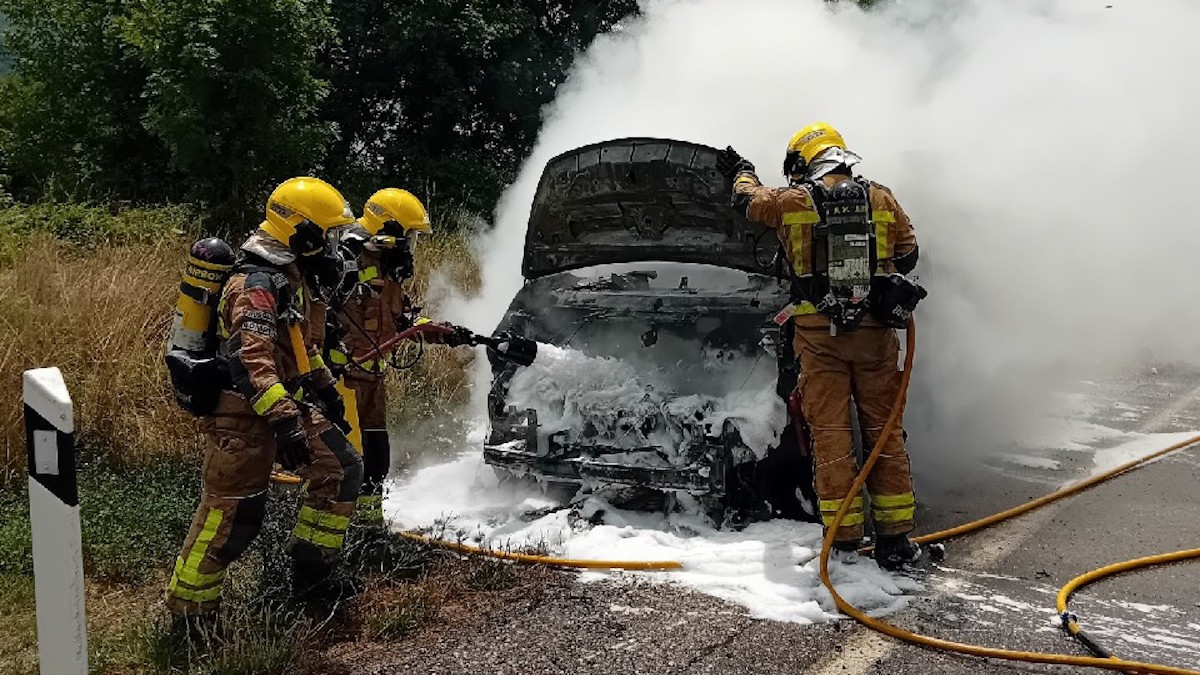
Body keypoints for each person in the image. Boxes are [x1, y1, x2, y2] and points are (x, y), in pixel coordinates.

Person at [717, 123, 924, 570]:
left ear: (802, 162)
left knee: (832, 439)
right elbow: (908, 256)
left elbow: (745, 202)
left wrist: (742, 171)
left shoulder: (791, 201)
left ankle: (845, 540)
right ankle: (894, 540)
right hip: (876, 339)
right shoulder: (881, 197)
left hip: (818, 338)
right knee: (885, 434)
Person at [165, 177, 365, 619]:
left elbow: (299, 344)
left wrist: (324, 391)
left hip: (281, 406)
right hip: (240, 414)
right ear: (303, 232)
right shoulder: (255, 283)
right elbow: (251, 359)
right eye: (327, 234)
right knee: (235, 517)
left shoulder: (291, 276)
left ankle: (312, 576)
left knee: (341, 468)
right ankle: (190, 614)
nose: (333, 246)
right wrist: (286, 422)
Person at [327, 188, 471, 524]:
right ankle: (336, 536)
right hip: (343, 383)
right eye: (408, 235)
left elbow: (399, 320)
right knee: (346, 465)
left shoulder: (386, 266)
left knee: (377, 461)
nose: (411, 244)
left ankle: (368, 530)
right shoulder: (345, 261)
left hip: (372, 384)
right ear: (388, 229)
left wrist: (440, 332)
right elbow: (317, 318)